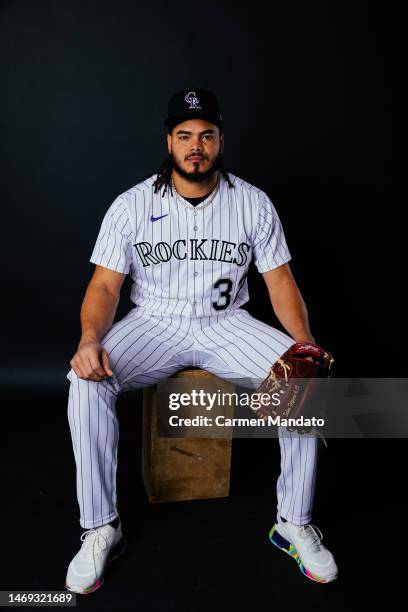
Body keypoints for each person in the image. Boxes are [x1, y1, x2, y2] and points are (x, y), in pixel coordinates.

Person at [65, 87, 338, 594]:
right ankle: (101, 527)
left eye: (206, 136)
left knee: (303, 382)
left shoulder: (252, 203)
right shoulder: (131, 204)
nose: (196, 146)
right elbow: (104, 286)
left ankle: (293, 522)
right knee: (85, 382)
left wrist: (303, 344)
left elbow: (280, 282)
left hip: (227, 324)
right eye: (185, 136)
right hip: (154, 322)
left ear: (220, 141)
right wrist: (88, 339)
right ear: (169, 142)